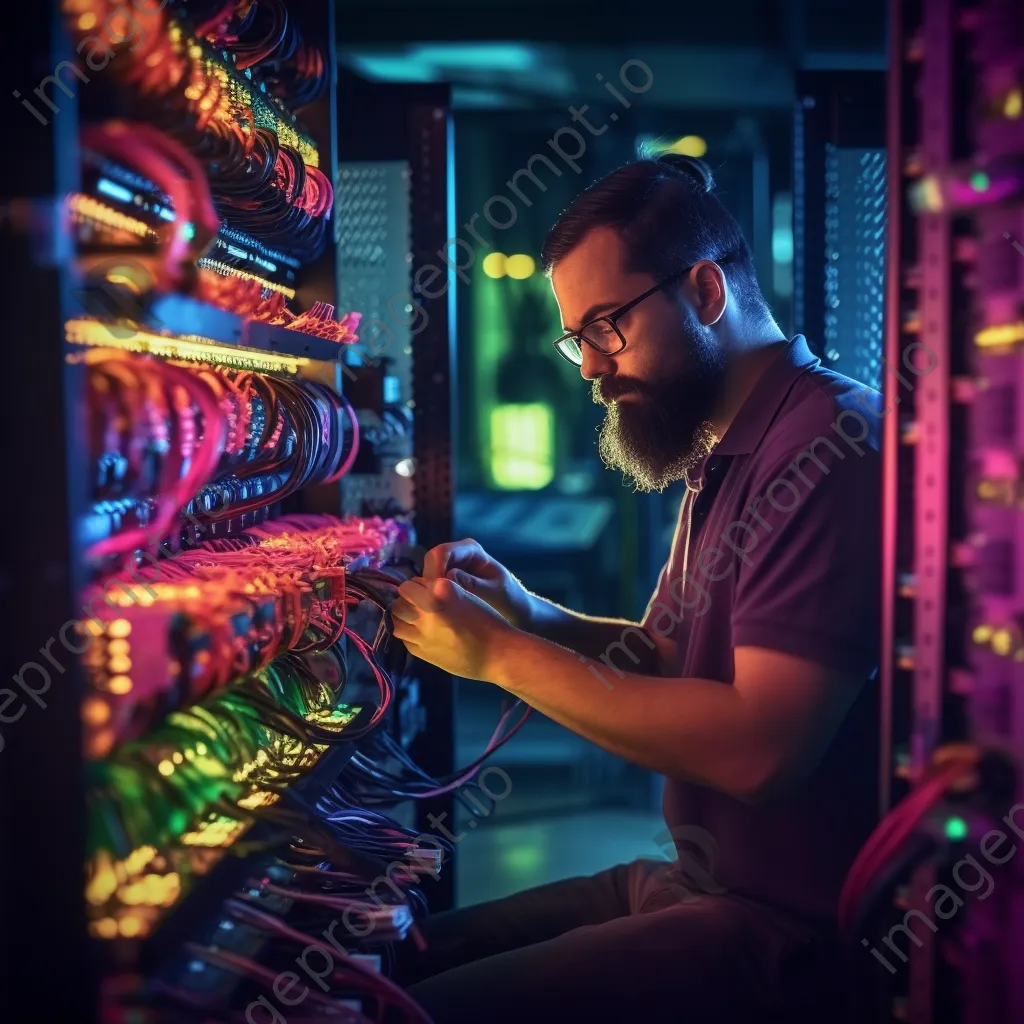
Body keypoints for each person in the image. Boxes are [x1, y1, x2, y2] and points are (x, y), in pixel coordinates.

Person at [388, 152, 883, 1024]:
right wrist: (528, 612)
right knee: (401, 958)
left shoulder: (827, 446)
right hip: (694, 881)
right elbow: (661, 656)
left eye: (607, 326)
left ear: (702, 292)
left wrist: (499, 656)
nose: (588, 366)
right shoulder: (727, 447)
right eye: (578, 336)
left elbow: (758, 751)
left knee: (411, 1015)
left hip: (782, 929)